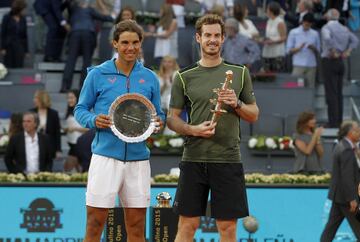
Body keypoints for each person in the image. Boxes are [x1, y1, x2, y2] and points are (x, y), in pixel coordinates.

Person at [166, 14, 259, 241]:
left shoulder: (240, 73)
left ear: (223, 38)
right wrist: (194, 129)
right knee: (187, 226)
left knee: (227, 228)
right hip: (193, 158)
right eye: (207, 35)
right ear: (198, 38)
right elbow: (171, 119)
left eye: (217, 35)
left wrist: (235, 103)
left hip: (228, 159)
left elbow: (254, 114)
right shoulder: (183, 76)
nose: (212, 40)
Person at [74, 20, 165, 241]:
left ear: (141, 43)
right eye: (124, 42)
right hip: (105, 157)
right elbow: (80, 109)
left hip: (138, 160)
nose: (130, 47)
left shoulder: (150, 77)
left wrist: (158, 123)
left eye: (135, 42)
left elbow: (159, 113)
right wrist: (95, 120)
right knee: (95, 223)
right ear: (115, 43)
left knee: (136, 226)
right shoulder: (97, 74)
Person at [60, 0, 114, 92]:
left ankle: (65, 86)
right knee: (87, 61)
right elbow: (107, 18)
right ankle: (83, 87)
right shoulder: (90, 10)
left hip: (75, 33)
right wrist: (106, 10)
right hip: (88, 34)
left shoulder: (73, 9)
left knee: (71, 60)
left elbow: (63, 6)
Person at [320, 120, 360, 241]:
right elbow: (347, 177)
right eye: (357, 130)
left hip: (339, 196)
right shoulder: (346, 149)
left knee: (330, 229)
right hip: (347, 199)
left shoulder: (342, 145)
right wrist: (352, 199)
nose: (359, 133)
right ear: (350, 133)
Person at [321, 9, 358, 128]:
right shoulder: (344, 28)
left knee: (331, 93)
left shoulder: (326, 28)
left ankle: (333, 122)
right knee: (338, 93)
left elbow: (327, 39)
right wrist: (347, 51)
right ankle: (339, 120)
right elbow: (355, 40)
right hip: (341, 61)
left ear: (328, 16)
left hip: (330, 60)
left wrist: (333, 50)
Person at [286, 13, 320, 88]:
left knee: (310, 86)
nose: (307, 26)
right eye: (305, 24)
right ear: (302, 22)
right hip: (298, 64)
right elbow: (288, 50)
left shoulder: (315, 34)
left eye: (309, 25)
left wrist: (313, 48)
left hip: (311, 64)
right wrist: (299, 48)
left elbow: (318, 50)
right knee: (297, 86)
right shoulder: (293, 32)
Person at [30, 90, 62, 158]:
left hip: (49, 146)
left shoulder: (53, 113)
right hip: (34, 145)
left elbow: (57, 133)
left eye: (36, 98)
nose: (34, 100)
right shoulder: (31, 112)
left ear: (42, 99)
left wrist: (58, 150)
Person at [63, 90, 88, 172]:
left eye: (71, 98)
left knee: (68, 167)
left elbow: (89, 129)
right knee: (77, 169)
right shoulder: (69, 111)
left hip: (80, 144)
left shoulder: (83, 111)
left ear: (77, 98)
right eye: (68, 98)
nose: (69, 100)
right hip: (71, 143)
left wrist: (74, 129)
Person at [0, 0, 28, 68]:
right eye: (24, 9)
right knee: (8, 66)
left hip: (19, 46)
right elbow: (3, 33)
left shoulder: (23, 19)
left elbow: (24, 36)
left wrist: (26, 51)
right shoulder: (7, 17)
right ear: (19, 9)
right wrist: (2, 48)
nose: (25, 11)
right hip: (9, 46)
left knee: (19, 65)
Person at [261, 1, 287, 72]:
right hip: (267, 52)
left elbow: (283, 37)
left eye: (267, 9)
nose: (266, 11)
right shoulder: (268, 21)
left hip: (277, 53)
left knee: (277, 75)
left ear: (271, 11)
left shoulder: (280, 22)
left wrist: (272, 41)